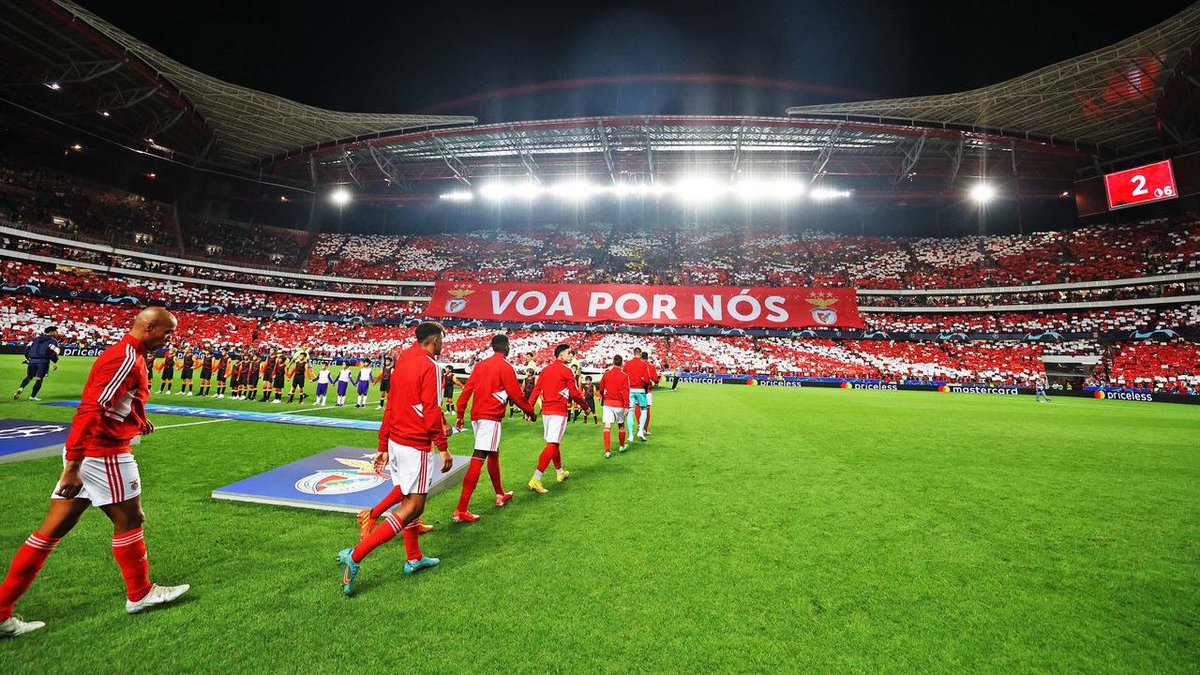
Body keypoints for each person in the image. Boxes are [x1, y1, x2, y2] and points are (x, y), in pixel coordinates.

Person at [0, 307, 189, 639]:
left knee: (52, 529)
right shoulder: (127, 358)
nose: (170, 339)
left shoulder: (132, 354)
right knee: (131, 520)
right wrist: (72, 466)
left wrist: (136, 419)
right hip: (104, 454)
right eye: (167, 332)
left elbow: (114, 402)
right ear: (148, 327)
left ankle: (0, 612)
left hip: (92, 452)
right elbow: (90, 409)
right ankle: (140, 593)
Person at [337, 322, 452, 596]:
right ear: (434, 340)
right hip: (415, 444)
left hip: (397, 441)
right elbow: (430, 407)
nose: (443, 345)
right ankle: (355, 555)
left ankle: (413, 558)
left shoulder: (403, 360)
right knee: (414, 506)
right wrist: (443, 446)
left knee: (405, 497)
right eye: (442, 341)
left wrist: (383, 442)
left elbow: (393, 403)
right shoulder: (430, 366)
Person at [451, 334, 536, 523]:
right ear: (506, 347)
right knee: (479, 456)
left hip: (477, 416)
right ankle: (461, 509)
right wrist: (530, 411)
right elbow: (516, 394)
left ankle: (500, 494)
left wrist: (459, 414)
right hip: (490, 417)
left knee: (493, 453)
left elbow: (467, 390)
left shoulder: (480, 366)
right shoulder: (506, 367)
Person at [527, 344, 591, 494]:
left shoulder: (545, 370)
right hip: (558, 411)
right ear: (561, 355)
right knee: (553, 443)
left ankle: (559, 472)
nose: (571, 355)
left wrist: (529, 409)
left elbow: (537, 390)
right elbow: (574, 393)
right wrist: (586, 407)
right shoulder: (567, 370)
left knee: (553, 443)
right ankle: (536, 478)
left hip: (546, 411)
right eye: (569, 353)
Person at [14, 326, 61, 401]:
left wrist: (28, 359)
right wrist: (55, 362)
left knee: (29, 377)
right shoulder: (53, 340)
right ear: (51, 332)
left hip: (32, 361)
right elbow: (53, 352)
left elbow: (27, 350)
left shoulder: (35, 339)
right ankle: (32, 397)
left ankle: (21, 388)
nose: (56, 333)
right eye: (55, 331)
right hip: (43, 362)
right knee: (39, 379)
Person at [598, 355, 631, 458]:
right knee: (621, 425)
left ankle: (607, 451)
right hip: (619, 404)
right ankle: (621, 446)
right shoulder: (625, 376)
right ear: (621, 364)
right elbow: (626, 392)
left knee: (607, 426)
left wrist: (601, 395)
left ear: (613, 362)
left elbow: (601, 388)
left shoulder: (606, 374)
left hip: (608, 403)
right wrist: (626, 406)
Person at [623, 348, 653, 442]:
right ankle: (640, 431)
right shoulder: (644, 364)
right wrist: (644, 383)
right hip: (640, 390)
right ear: (640, 354)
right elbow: (648, 379)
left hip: (630, 390)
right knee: (644, 410)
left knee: (630, 412)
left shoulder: (627, 364)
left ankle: (631, 435)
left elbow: (624, 377)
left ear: (633, 353)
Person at [642, 350, 660, 436]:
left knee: (638, 408)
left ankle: (639, 425)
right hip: (647, 391)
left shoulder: (637, 366)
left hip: (637, 389)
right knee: (647, 410)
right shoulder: (651, 367)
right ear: (647, 357)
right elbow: (656, 379)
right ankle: (644, 429)